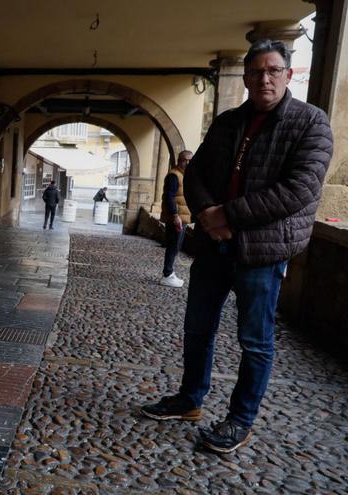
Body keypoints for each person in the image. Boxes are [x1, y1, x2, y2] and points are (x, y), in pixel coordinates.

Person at [140, 39, 332, 454]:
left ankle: (239, 420)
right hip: (213, 246)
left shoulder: (311, 123)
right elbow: (195, 175)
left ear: (288, 74)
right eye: (257, 71)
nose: (265, 78)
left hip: (261, 253)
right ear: (245, 77)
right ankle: (190, 400)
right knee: (197, 330)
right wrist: (209, 213)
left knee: (255, 341)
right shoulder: (227, 121)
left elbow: (299, 190)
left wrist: (227, 217)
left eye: (273, 70)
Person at [159, 150, 193, 288]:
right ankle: (167, 274)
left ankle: (170, 272)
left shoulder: (184, 176)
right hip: (176, 218)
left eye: (191, 160)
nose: (188, 163)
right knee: (173, 246)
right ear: (179, 160)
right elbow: (169, 197)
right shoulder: (174, 176)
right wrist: (175, 216)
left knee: (176, 246)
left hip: (182, 217)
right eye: (185, 160)